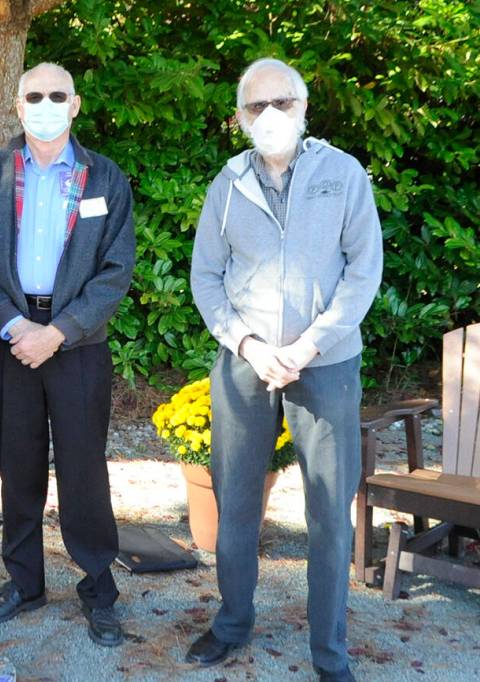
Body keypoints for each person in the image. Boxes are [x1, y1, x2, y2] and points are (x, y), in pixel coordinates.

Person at [188, 58, 383, 681]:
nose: (270, 114)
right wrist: (246, 344)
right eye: (256, 106)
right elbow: (205, 277)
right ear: (240, 117)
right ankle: (231, 624)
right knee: (235, 500)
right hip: (246, 364)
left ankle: (330, 652)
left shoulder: (343, 175)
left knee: (328, 510)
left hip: (326, 364)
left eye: (282, 103)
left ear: (303, 107)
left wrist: (310, 346)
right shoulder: (227, 184)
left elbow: (363, 271)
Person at [0, 63, 135, 647]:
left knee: (84, 468)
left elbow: (116, 271)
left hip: (78, 342)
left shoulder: (104, 177)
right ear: (18, 105)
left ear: (75, 105)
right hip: (11, 339)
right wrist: (14, 327)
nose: (46, 104)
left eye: (58, 95)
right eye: (34, 95)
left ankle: (98, 588)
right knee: (18, 464)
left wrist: (57, 332)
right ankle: (26, 582)